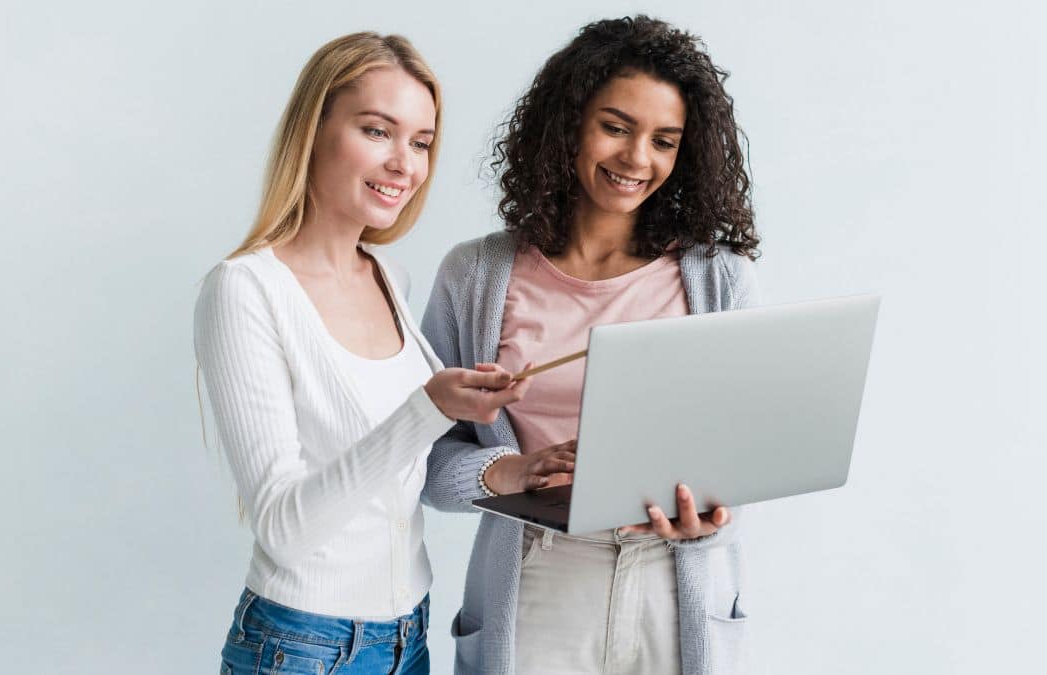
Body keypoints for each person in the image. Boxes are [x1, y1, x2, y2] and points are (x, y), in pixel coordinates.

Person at [421, 16, 762, 675]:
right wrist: (511, 471)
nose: (637, 159)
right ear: (569, 123)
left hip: (676, 584)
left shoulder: (720, 278)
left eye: (664, 141)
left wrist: (710, 521)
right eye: (615, 126)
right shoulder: (475, 275)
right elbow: (424, 460)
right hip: (537, 575)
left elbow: (747, 456)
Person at [194, 33, 528, 675]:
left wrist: (511, 467)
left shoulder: (388, 277)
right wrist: (429, 408)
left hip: (409, 635)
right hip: (301, 646)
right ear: (313, 130)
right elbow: (283, 530)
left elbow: (404, 474)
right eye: (378, 131)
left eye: (422, 142)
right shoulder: (245, 289)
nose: (405, 164)